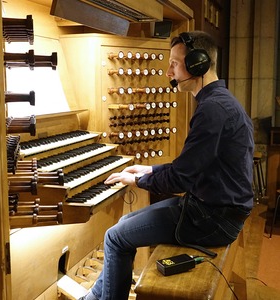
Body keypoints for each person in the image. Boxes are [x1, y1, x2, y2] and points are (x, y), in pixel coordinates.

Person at [79, 30, 254, 300]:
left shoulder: (212, 110)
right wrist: (149, 170)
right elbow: (193, 167)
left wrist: (136, 180)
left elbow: (181, 179)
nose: (169, 71)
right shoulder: (219, 102)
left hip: (213, 219)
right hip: (212, 209)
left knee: (115, 238)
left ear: (198, 63)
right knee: (124, 221)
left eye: (174, 62)